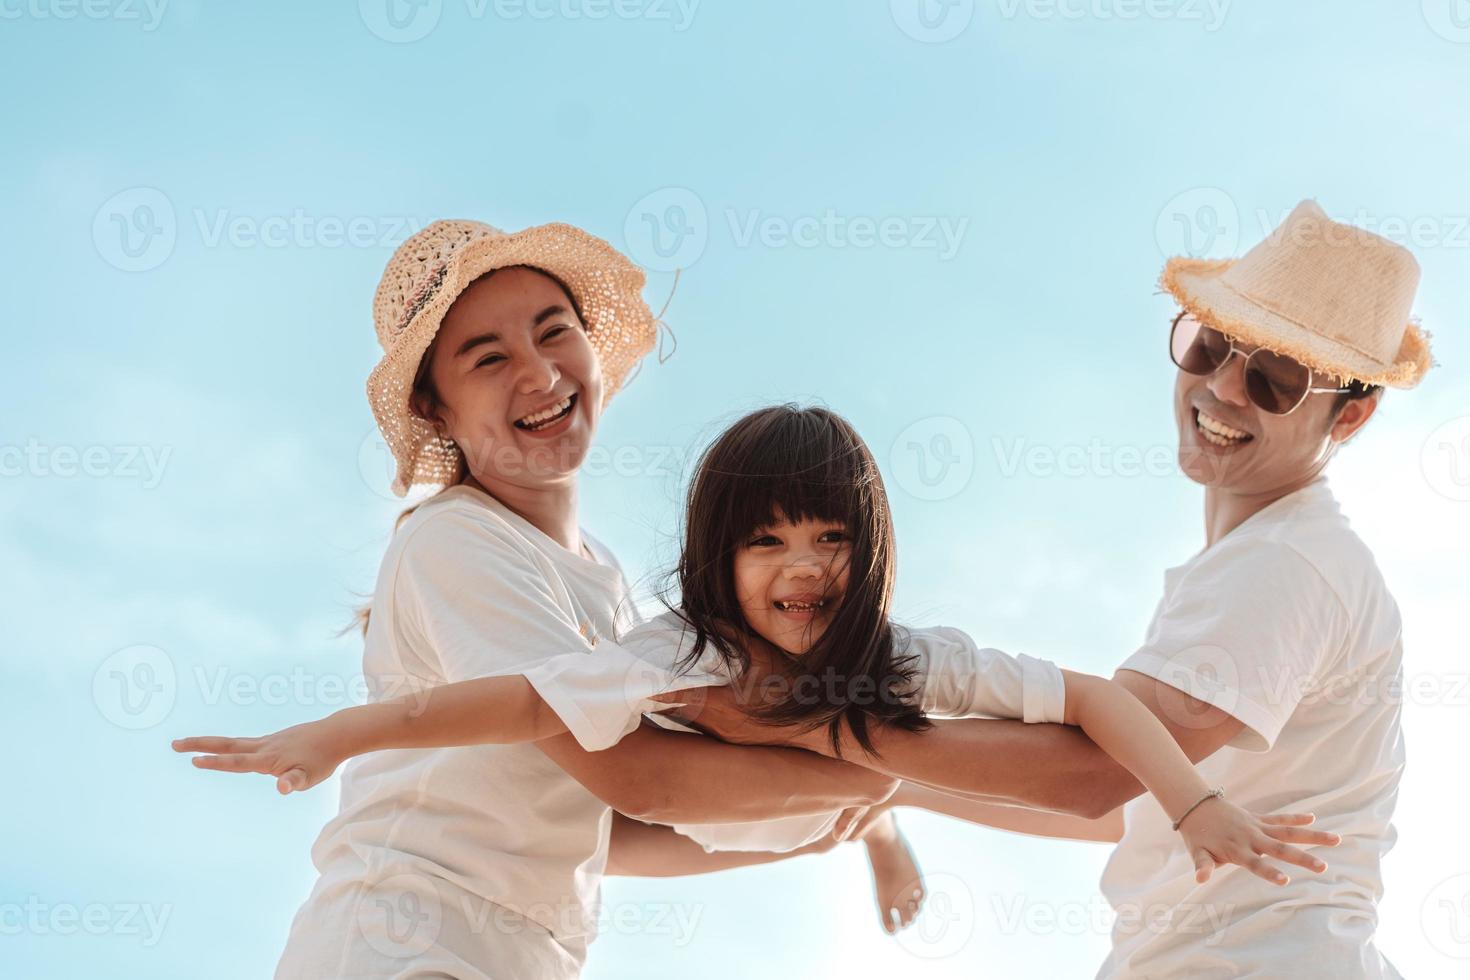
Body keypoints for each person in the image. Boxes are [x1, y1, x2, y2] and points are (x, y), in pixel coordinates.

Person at [178, 406, 1337, 937]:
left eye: (832, 538)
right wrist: (343, 729)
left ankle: (880, 819)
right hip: (687, 811)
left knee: (885, 784)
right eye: (767, 539)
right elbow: (530, 699)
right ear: (714, 558)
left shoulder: (905, 656)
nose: (803, 567)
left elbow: (1093, 698)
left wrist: (1192, 798)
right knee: (650, 798)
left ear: (869, 553)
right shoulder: (679, 646)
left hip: (811, 808)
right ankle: (877, 815)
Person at [675, 199, 1430, 979]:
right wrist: (897, 791)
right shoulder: (1263, 559)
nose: (1225, 390)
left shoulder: (1284, 566)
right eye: (1212, 347)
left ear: (1352, 417)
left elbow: (1095, 775)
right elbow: (1133, 809)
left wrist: (796, 720)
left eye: (1276, 378)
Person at [184, 219, 901, 979]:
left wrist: (821, 823)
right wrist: (874, 775)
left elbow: (605, 829)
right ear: (436, 409)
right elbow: (632, 775)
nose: (537, 374)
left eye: (553, 332)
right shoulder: (456, 540)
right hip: (406, 939)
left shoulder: (602, 576)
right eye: (488, 358)